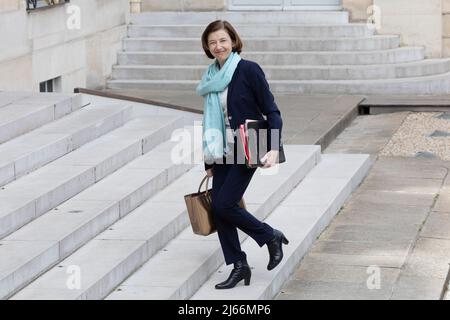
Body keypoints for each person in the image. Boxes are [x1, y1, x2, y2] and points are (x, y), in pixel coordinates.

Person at [196, 20, 289, 290]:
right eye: (212, 42)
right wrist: (209, 161)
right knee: (219, 208)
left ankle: (270, 235)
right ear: (207, 46)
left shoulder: (248, 70)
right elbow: (209, 121)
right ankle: (239, 265)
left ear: (233, 41)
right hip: (220, 148)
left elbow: (272, 111)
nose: (218, 46)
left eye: (223, 40)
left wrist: (272, 147)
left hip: (248, 146)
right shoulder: (210, 76)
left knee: (225, 204)